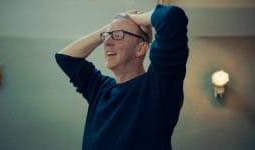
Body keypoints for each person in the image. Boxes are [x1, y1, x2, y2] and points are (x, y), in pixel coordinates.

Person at [55, 3, 188, 150]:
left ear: (140, 48)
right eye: (107, 36)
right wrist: (111, 27)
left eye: (118, 35)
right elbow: (65, 58)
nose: (107, 42)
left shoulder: (158, 86)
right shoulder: (100, 90)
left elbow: (171, 17)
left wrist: (132, 18)